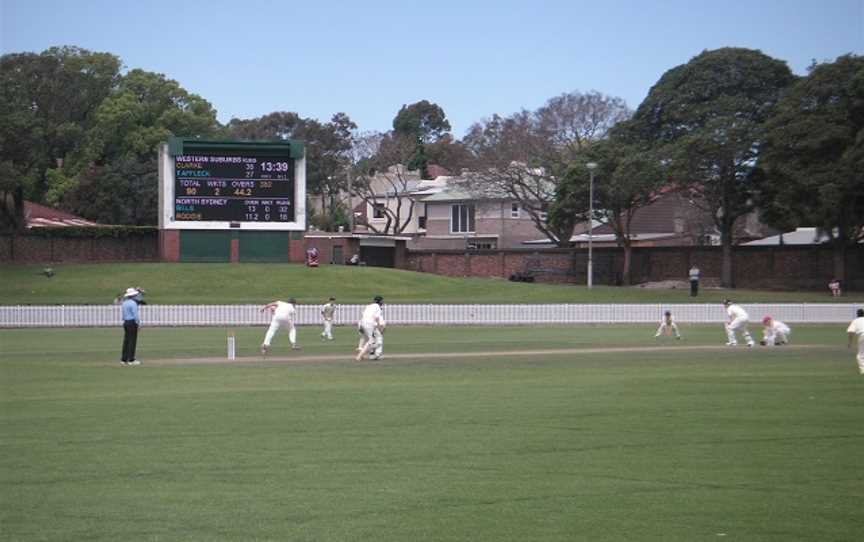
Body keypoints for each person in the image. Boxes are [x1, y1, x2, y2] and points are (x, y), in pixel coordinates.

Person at [356, 295, 386, 361]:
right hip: (370, 324)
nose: (382, 302)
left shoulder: (368, 306)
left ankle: (368, 353)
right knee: (373, 341)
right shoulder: (377, 307)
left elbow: (364, 315)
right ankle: (360, 355)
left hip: (363, 323)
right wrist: (379, 327)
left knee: (372, 340)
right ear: (379, 301)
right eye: (382, 301)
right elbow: (377, 318)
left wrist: (361, 325)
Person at [120, 287, 143, 365]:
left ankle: (124, 359)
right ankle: (131, 359)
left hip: (126, 322)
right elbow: (135, 315)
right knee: (132, 341)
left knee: (126, 341)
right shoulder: (133, 303)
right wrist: (139, 323)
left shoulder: (124, 303)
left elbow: (123, 314)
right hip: (132, 322)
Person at [846, 308, 864, 375]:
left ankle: (863, 371)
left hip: (862, 336)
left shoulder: (856, 321)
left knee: (860, 356)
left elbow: (851, 331)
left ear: (857, 314)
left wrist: (850, 343)